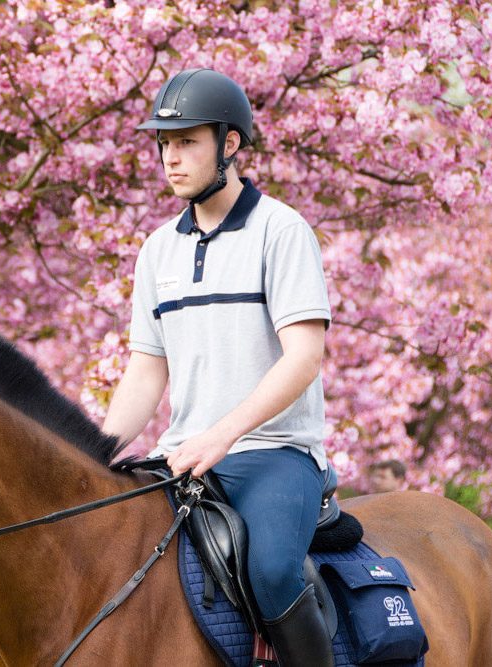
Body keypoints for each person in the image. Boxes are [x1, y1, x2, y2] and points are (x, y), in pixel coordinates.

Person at [102, 68, 333, 667]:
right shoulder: (157, 250)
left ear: (230, 145)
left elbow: (304, 357)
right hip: (184, 458)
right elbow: (146, 372)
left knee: (274, 570)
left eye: (187, 142)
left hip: (276, 453)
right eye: (164, 144)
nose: (170, 159)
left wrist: (223, 433)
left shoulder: (281, 231)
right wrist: (94, 448)